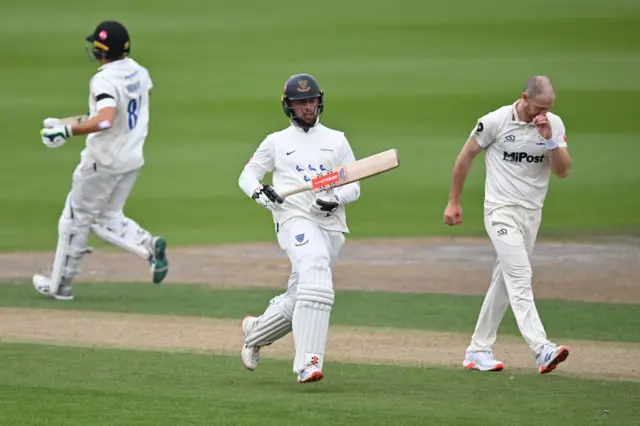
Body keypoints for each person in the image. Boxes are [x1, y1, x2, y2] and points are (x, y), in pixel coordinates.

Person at [443, 76, 572, 374]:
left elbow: (562, 171)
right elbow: (465, 157)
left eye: (548, 108)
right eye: (538, 107)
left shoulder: (553, 124)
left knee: (504, 280)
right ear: (524, 98)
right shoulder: (495, 121)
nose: (541, 114)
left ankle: (477, 350)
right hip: (500, 212)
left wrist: (550, 138)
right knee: (520, 273)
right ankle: (541, 349)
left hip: (531, 214)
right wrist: (454, 201)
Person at [237, 73, 360, 383]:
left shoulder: (337, 140)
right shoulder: (276, 142)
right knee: (317, 274)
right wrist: (262, 193)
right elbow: (247, 176)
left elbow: (354, 186)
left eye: (312, 101)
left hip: (331, 225)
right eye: (300, 102)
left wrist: (334, 199)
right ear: (288, 106)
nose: (308, 107)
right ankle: (307, 362)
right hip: (293, 218)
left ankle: (255, 332)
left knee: (304, 294)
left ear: (320, 102)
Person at [33, 20, 169, 301]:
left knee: (75, 217)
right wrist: (63, 122)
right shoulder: (139, 72)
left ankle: (60, 285)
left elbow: (105, 120)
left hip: (102, 161)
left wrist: (68, 130)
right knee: (107, 216)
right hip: (131, 158)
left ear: (99, 49)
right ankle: (149, 246)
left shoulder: (104, 80)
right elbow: (130, 106)